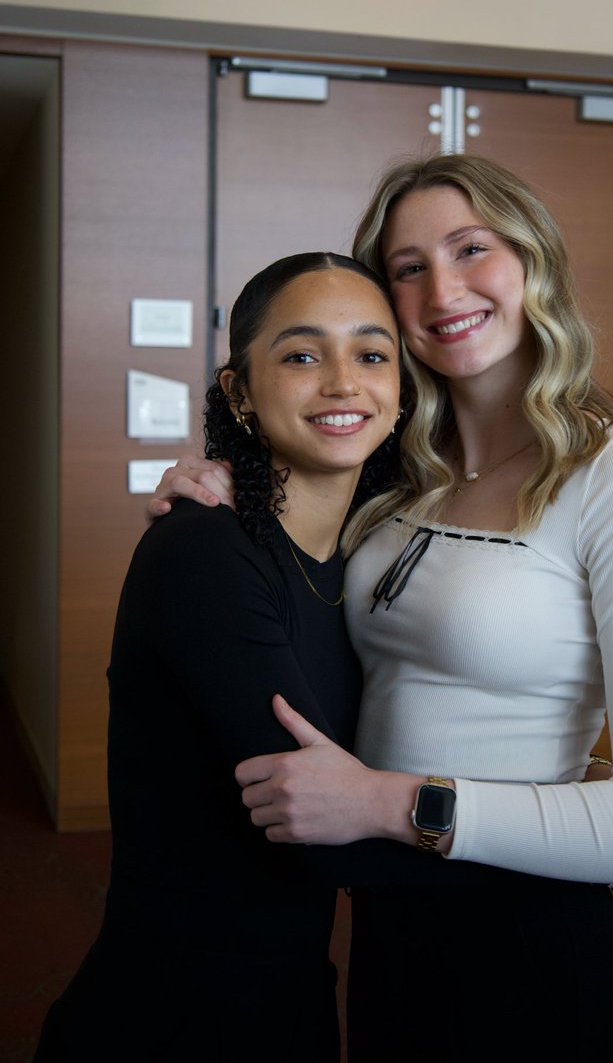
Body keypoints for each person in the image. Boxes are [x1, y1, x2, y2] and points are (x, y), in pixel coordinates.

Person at [151, 154, 613, 1061]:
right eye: (408, 268)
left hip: (534, 953)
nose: (443, 288)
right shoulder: (400, 471)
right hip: (390, 938)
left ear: (533, 262)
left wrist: (386, 803)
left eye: (471, 248)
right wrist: (221, 472)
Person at [32, 252, 406, 1062]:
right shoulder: (203, 551)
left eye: (372, 354)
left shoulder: (374, 551)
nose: (344, 382)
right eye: (303, 355)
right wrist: (562, 841)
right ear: (237, 389)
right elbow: (319, 821)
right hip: (172, 1014)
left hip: (288, 992)